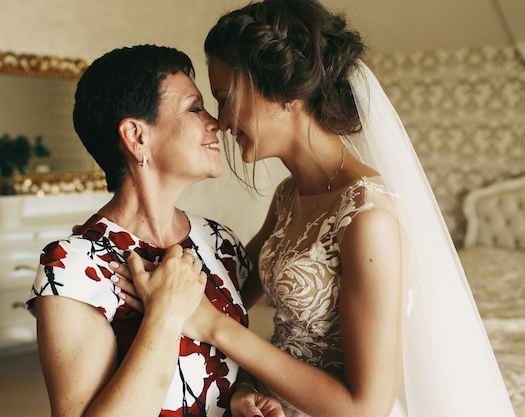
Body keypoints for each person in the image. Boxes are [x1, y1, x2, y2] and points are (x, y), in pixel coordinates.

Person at [115, 1, 517, 416]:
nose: (220, 121)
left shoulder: (368, 219)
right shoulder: (289, 196)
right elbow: (230, 291)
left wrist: (216, 329)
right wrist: (246, 385)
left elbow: (366, 408)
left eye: (224, 97)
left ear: (285, 93)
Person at [25, 44, 284, 417]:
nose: (217, 122)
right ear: (136, 136)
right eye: (195, 108)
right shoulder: (73, 266)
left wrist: (241, 391)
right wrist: (164, 313)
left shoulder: (220, 243)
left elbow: (225, 357)